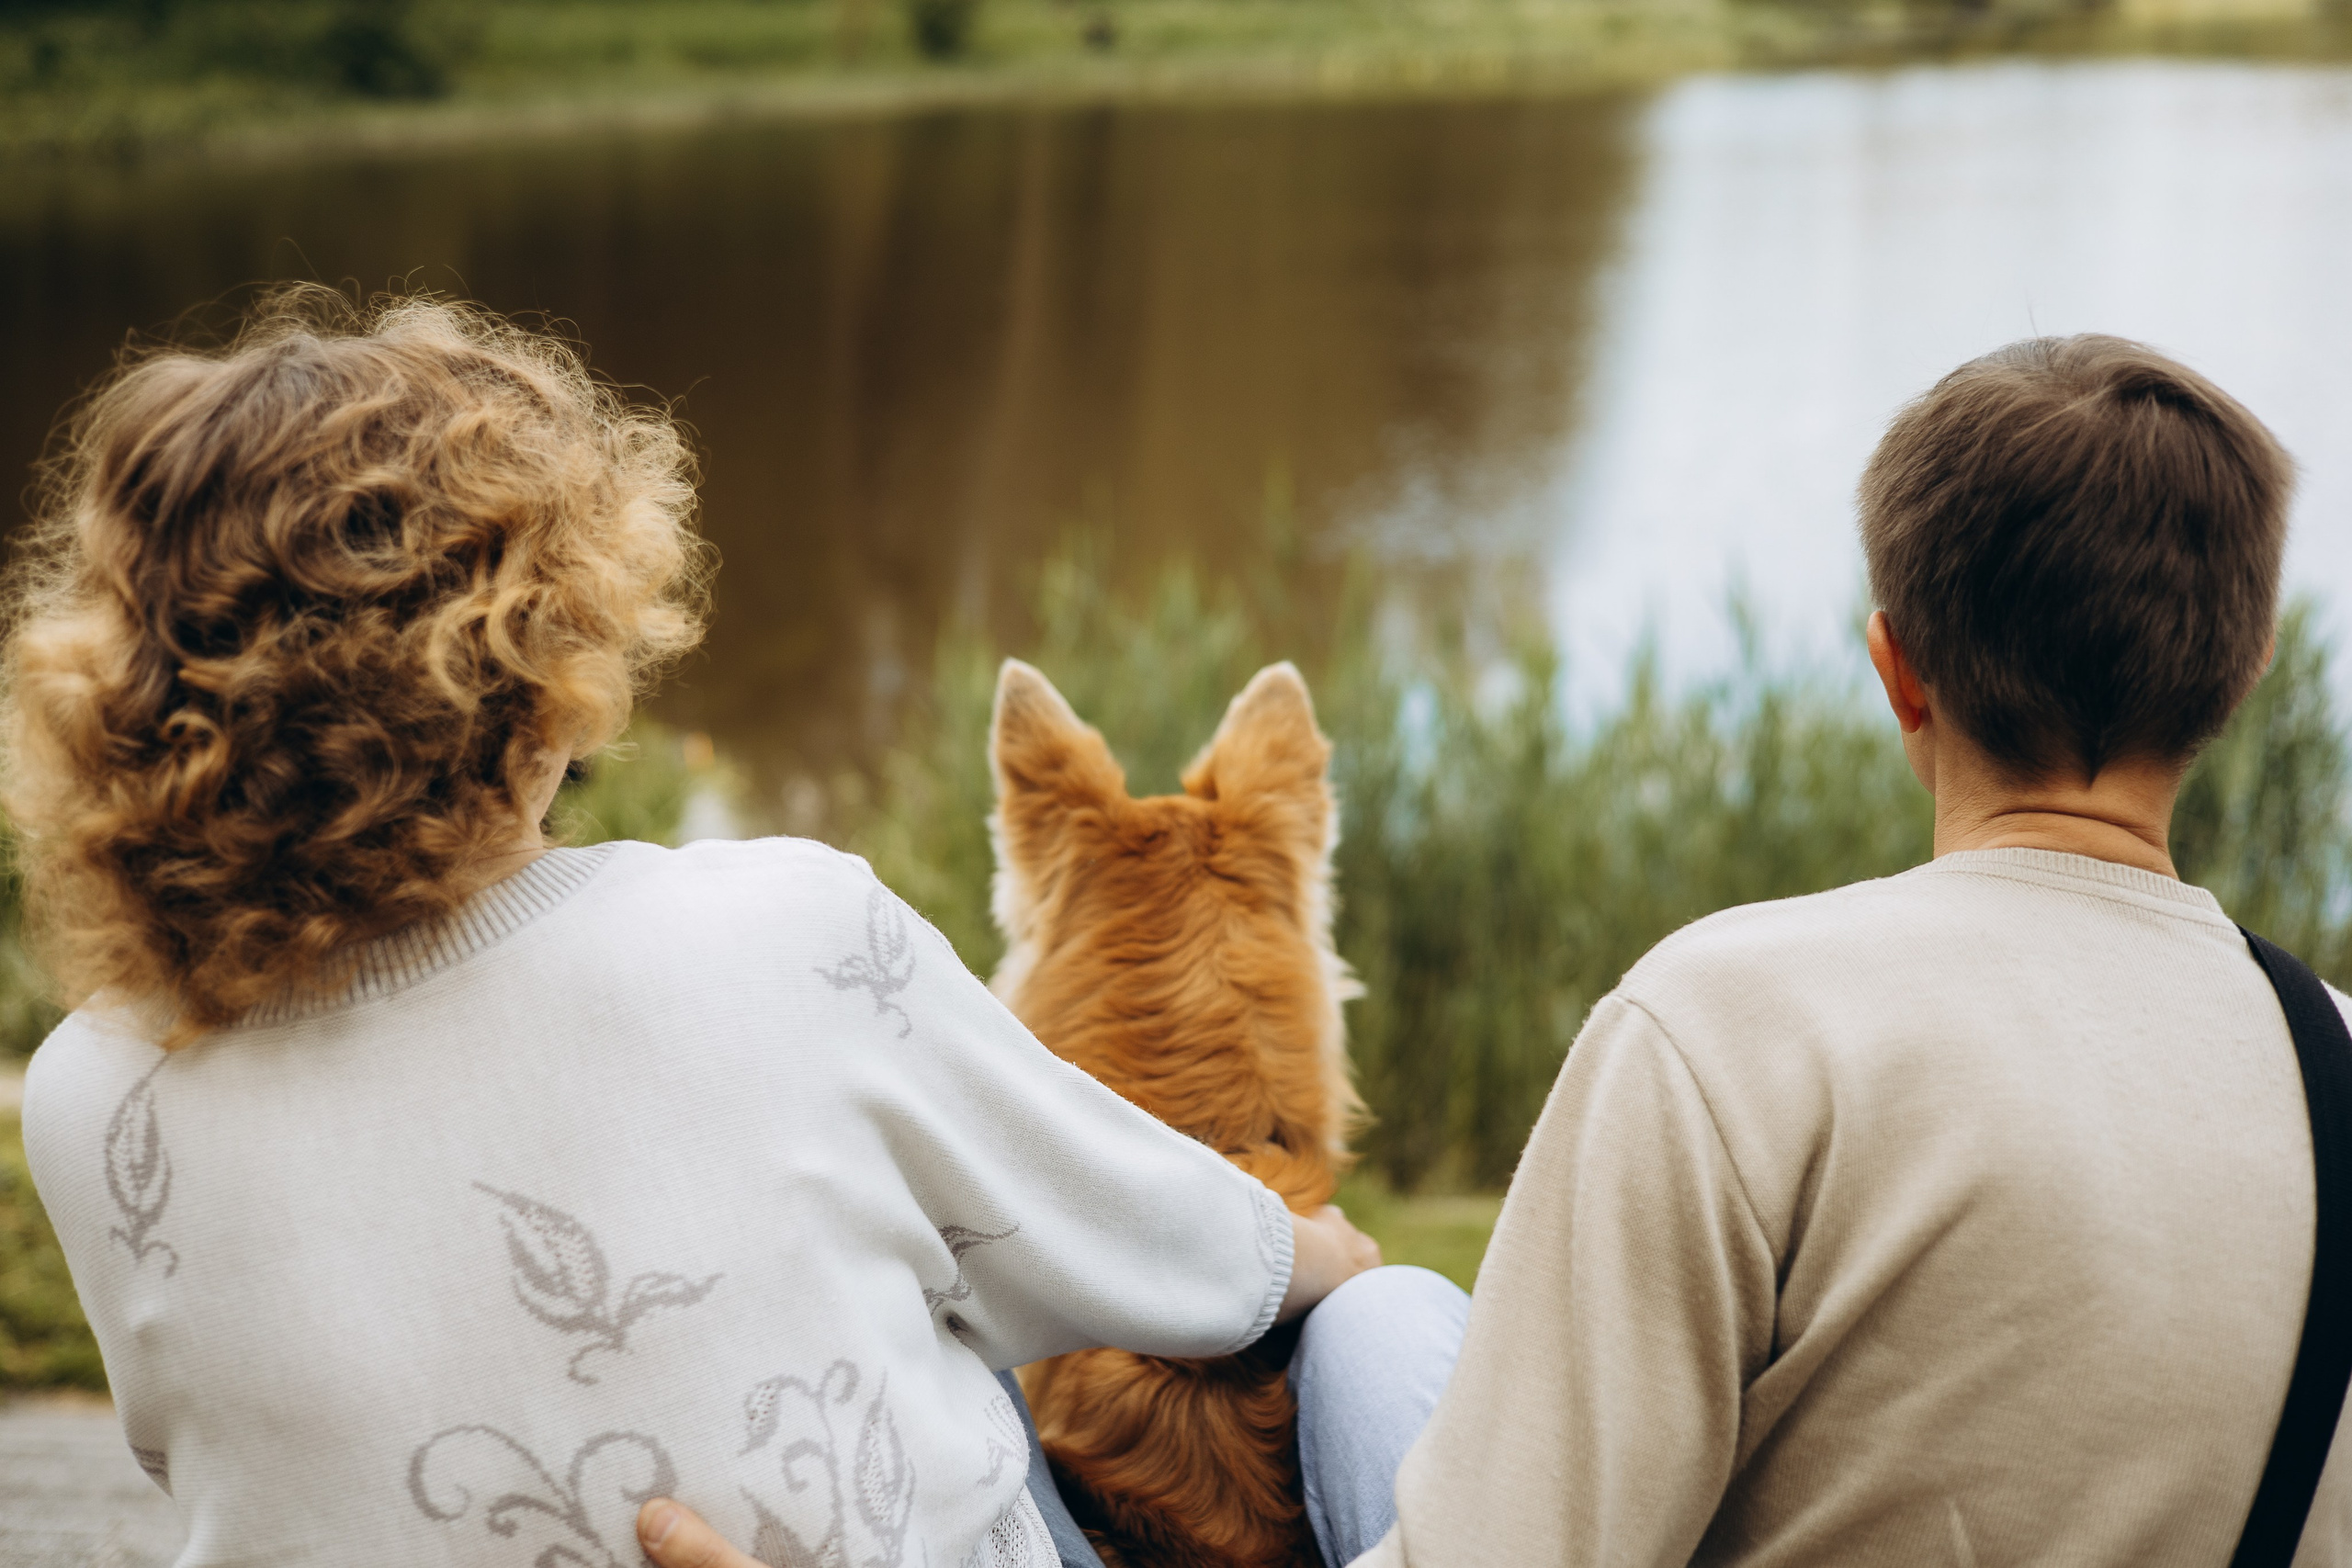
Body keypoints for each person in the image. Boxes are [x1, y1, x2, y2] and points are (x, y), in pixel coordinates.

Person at [629, 333, 2349, 1568]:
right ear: (2244, 669)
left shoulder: (1731, 1027)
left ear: (1897, 671)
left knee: (1320, 1334)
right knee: (1375, 1320)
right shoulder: (2329, 1056)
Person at [12, 288, 1379, 1568]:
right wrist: (1329, 1256)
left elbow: (195, 1445)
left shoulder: (89, 1097)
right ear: (536, 657)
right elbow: (1182, 1262)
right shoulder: (779, 931)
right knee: (1389, 1327)